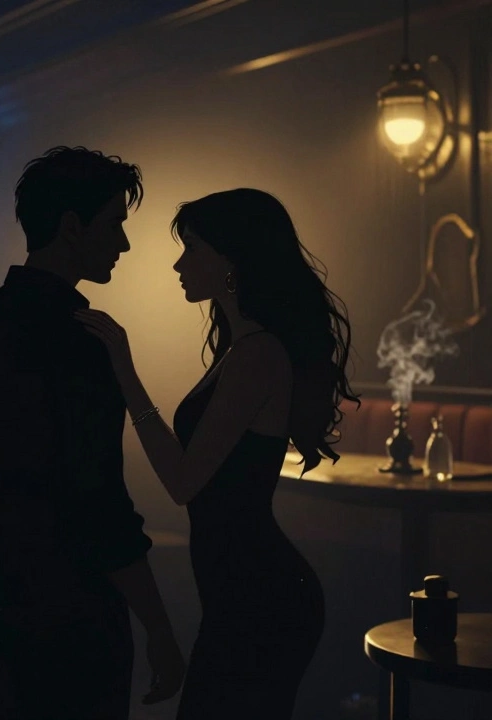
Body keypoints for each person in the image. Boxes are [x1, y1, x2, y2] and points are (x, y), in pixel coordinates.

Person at [76, 188, 357, 719]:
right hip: (243, 593)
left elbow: (184, 483)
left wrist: (126, 375)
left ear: (233, 260)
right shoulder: (242, 347)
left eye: (194, 249)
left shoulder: (257, 354)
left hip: (262, 598)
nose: (180, 263)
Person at [0, 146, 185, 719]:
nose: (123, 244)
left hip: (4, 607)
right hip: (81, 613)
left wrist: (11, 569)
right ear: (73, 227)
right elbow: (99, 503)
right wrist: (160, 627)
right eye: (116, 223)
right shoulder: (82, 342)